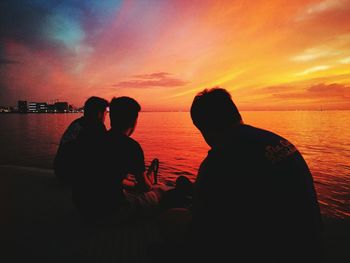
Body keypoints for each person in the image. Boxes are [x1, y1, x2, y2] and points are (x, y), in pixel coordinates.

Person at [188, 88, 323, 262]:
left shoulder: (219, 160)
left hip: (271, 251)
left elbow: (200, 220)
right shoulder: (276, 140)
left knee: (174, 221)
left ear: (204, 128)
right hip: (312, 245)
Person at [53, 96, 109, 187]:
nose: (105, 116)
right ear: (99, 113)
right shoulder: (96, 126)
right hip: (73, 176)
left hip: (60, 171)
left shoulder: (77, 123)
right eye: (105, 113)